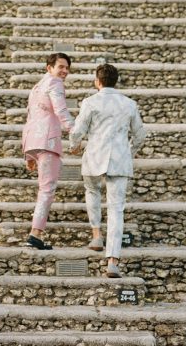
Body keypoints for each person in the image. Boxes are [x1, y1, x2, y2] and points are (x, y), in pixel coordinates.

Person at [68, 62, 146, 278]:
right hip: (119, 159)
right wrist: (129, 152)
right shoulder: (129, 104)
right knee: (116, 209)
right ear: (116, 81)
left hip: (95, 155)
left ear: (97, 81)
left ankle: (96, 235)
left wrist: (74, 147)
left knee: (92, 192)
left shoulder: (90, 102)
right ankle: (113, 261)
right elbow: (140, 134)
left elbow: (78, 130)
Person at [21, 51, 75, 249]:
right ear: (49, 68)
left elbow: (31, 117)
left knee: (44, 188)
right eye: (61, 67)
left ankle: (36, 234)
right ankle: (36, 234)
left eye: (67, 68)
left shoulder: (36, 87)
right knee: (47, 189)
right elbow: (61, 111)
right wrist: (75, 131)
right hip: (48, 142)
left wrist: (28, 154)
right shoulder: (55, 84)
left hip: (34, 142)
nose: (64, 71)